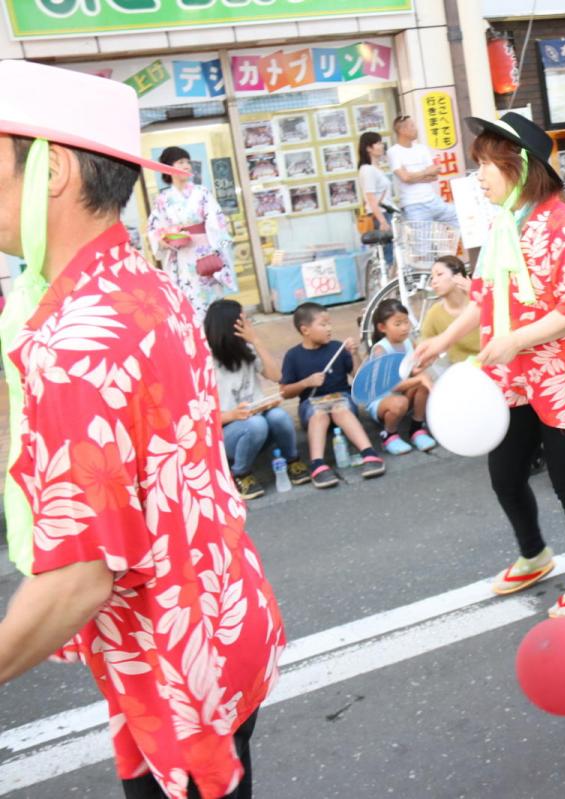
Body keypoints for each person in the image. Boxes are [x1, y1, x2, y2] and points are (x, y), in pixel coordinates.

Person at [0, 60, 283, 799]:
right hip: (215, 611)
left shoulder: (76, 338)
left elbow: (78, 574)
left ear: (51, 170)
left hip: (172, 657)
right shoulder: (139, 281)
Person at [414, 112, 565, 617]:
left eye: (486, 166)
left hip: (564, 377)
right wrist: (442, 342)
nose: (479, 177)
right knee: (505, 475)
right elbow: (483, 296)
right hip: (515, 376)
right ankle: (535, 555)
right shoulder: (506, 225)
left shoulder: (564, 226)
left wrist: (513, 339)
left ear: (519, 167)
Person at [206, 299, 310, 498]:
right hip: (230, 435)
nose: (249, 326)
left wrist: (257, 341)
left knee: (278, 415)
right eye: (244, 321)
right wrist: (233, 415)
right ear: (231, 327)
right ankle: (241, 473)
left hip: (257, 424)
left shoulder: (246, 350)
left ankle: (293, 461)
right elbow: (200, 419)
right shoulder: (205, 364)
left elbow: (277, 377)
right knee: (255, 424)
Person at [279, 302, 386, 488]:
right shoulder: (293, 356)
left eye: (330, 323)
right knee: (319, 414)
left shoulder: (337, 347)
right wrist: (306, 382)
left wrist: (353, 354)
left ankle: (369, 453)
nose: (329, 328)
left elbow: (358, 377)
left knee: (340, 409)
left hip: (341, 398)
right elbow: (285, 391)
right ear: (305, 330)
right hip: (311, 405)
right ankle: (318, 464)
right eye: (323, 324)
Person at [146, 145, 236, 326]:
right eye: (180, 162)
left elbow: (218, 224)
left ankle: (217, 341)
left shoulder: (202, 193)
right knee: (187, 301)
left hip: (206, 253)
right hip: (181, 257)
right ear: (167, 168)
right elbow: (155, 229)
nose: (187, 166)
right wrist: (163, 241)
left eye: (188, 162)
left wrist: (222, 248)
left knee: (211, 300)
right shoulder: (162, 199)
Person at [367, 299, 437, 455]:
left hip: (403, 395)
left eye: (406, 322)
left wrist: (426, 363)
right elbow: (391, 386)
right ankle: (389, 434)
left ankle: (417, 428)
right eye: (398, 324)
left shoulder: (408, 342)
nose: (405, 327)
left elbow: (413, 370)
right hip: (382, 401)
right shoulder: (380, 350)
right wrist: (419, 378)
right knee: (401, 400)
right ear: (382, 327)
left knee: (422, 384)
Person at [388, 113, 458, 224]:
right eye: (412, 126)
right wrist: (426, 172)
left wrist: (413, 176)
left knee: (460, 218)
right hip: (414, 206)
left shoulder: (422, 148)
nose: (416, 129)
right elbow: (405, 177)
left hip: (434, 200)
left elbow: (434, 176)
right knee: (423, 240)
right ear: (402, 130)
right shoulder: (393, 152)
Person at [421, 255, 482, 364]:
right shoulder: (435, 313)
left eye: (439, 274)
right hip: (462, 372)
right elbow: (423, 343)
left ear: (457, 276)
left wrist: (475, 293)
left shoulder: (480, 302)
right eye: (433, 277)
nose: (434, 282)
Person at [357, 131, 393, 232]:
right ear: (368, 148)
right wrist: (382, 221)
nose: (382, 146)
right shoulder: (367, 169)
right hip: (380, 216)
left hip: (385, 213)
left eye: (381, 143)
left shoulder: (375, 168)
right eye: (378, 143)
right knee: (387, 247)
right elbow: (371, 198)